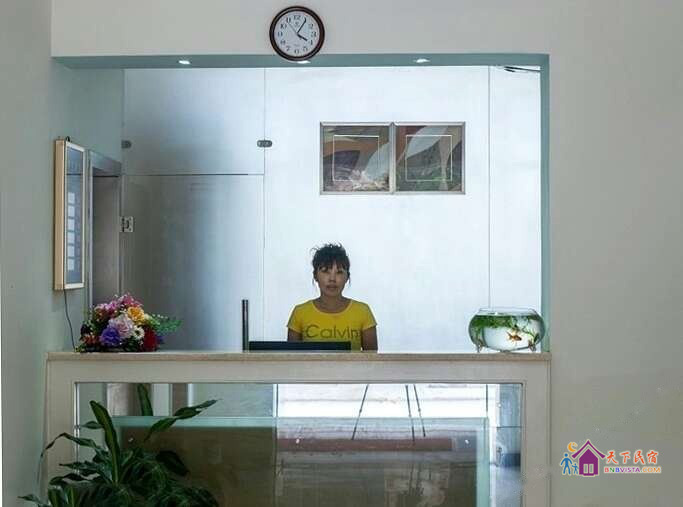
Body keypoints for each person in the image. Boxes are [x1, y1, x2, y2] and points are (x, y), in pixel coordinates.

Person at [287, 243, 377, 351]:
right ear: (315, 275)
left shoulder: (362, 311)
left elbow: (373, 359)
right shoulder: (300, 313)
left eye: (339, 272)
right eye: (325, 271)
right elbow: (291, 358)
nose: (332, 279)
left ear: (347, 277)